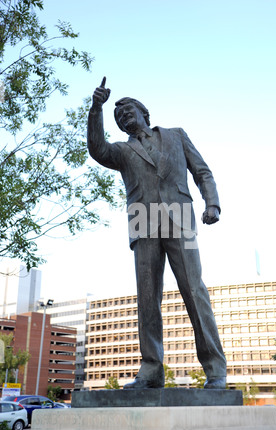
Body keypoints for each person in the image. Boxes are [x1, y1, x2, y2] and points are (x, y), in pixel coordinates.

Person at [87, 77, 226, 389]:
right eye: (117, 116)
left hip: (181, 218)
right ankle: (151, 371)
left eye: (128, 110)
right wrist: (97, 109)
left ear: (143, 112)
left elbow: (202, 171)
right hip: (142, 220)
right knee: (147, 298)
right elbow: (97, 148)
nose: (123, 116)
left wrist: (212, 203)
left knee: (194, 289)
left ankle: (216, 370)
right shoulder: (122, 151)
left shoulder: (176, 136)